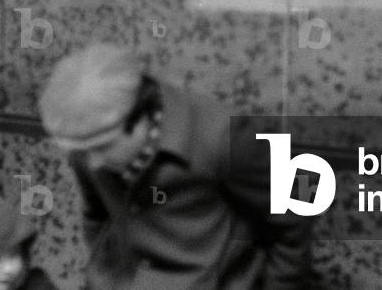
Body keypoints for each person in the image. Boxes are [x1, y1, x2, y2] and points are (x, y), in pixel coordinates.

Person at [38, 43, 311, 289]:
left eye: (102, 148)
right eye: (81, 152)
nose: (92, 163)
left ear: (141, 118)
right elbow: (96, 216)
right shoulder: (85, 146)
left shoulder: (222, 135)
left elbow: (292, 223)